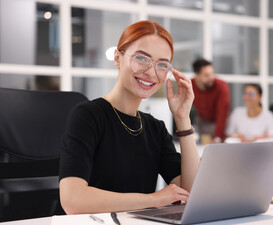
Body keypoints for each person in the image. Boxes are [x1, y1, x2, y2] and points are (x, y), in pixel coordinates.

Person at [59, 21, 200, 214]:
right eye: (142, 58)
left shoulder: (154, 128)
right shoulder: (88, 116)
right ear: (117, 58)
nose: (151, 72)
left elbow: (191, 195)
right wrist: (152, 199)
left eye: (162, 64)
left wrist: (183, 118)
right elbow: (73, 201)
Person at [191, 59, 230, 143]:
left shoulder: (221, 86)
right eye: (206, 75)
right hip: (201, 120)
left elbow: (222, 113)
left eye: (212, 74)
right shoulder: (190, 85)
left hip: (218, 122)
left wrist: (217, 137)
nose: (211, 78)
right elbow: (183, 109)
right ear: (197, 75)